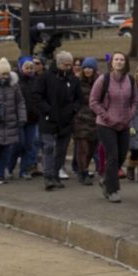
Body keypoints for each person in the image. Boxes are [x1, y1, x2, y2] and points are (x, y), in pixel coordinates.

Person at [89, 52, 137, 203]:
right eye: (116, 59)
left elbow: (135, 100)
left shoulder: (130, 80)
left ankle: (106, 180)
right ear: (111, 63)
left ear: (126, 63)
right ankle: (113, 190)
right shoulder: (103, 79)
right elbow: (93, 102)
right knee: (113, 156)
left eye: (122, 59)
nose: (119, 62)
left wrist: (130, 114)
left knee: (121, 156)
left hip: (124, 124)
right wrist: (107, 117)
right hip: (105, 124)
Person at [35, 50, 81, 191]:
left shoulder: (73, 80)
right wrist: (47, 110)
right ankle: (48, 176)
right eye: (65, 65)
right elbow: (37, 95)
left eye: (70, 65)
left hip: (66, 120)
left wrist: (73, 110)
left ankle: (55, 174)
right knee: (48, 147)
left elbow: (79, 99)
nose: (68, 68)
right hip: (49, 118)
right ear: (58, 64)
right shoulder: (46, 78)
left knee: (61, 149)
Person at [71, 58, 101, 185]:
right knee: (82, 147)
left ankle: (85, 167)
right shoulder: (77, 82)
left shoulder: (100, 82)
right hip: (81, 119)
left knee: (92, 148)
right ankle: (82, 172)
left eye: (90, 68)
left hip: (96, 119)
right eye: (85, 68)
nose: (87, 70)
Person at [14, 57, 42, 180]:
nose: (29, 70)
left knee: (30, 144)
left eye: (31, 68)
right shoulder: (16, 83)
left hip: (33, 118)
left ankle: (24, 170)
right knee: (19, 144)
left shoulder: (37, 81)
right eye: (27, 68)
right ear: (21, 68)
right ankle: (9, 167)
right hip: (19, 119)